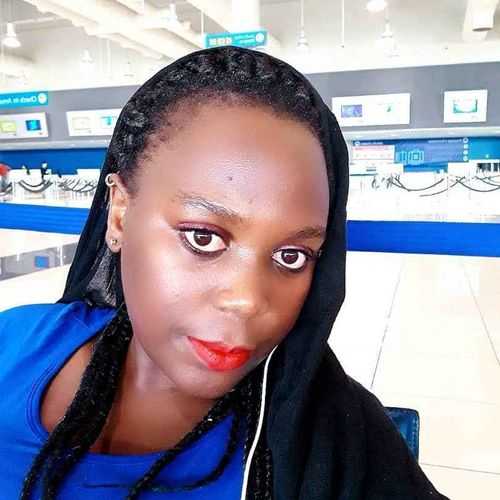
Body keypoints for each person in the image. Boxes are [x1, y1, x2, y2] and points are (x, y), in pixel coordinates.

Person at [0, 46, 449, 500]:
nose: (247, 300)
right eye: (203, 237)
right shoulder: (14, 342)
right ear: (119, 214)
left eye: (292, 256)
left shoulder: (336, 443)